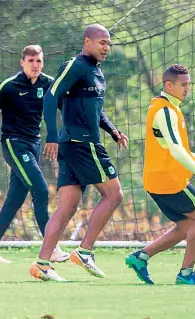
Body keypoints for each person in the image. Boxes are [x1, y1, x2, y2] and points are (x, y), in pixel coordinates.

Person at [29, 24, 128, 281]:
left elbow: (96, 110)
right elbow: (51, 96)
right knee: (114, 195)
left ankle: (41, 263)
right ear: (87, 41)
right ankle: (84, 251)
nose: (106, 48)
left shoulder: (96, 71)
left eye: (108, 44)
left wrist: (112, 130)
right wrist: (52, 135)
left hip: (77, 145)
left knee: (67, 208)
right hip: (81, 143)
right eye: (102, 43)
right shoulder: (76, 65)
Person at [125, 64, 195, 285]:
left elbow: (167, 146)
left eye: (189, 84)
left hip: (159, 178)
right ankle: (186, 274)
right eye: (183, 85)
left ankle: (140, 257)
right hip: (168, 179)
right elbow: (176, 149)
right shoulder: (165, 111)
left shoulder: (168, 107)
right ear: (169, 85)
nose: (187, 89)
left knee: (186, 226)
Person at [0, 45, 69, 264]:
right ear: (22, 62)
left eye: (39, 61)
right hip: (14, 144)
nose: (35, 65)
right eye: (31, 61)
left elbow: (62, 107)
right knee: (41, 189)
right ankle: (51, 247)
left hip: (34, 145)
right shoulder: (9, 86)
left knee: (15, 198)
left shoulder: (48, 84)